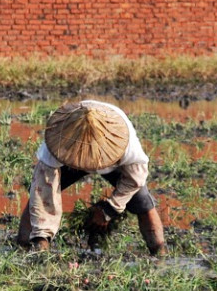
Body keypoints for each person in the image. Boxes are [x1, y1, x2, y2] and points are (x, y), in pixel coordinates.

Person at [16, 100, 166, 255]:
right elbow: (43, 194)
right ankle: (25, 248)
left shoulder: (126, 144)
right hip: (69, 160)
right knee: (37, 199)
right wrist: (41, 239)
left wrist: (109, 209)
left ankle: (159, 251)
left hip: (113, 162)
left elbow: (136, 179)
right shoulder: (57, 146)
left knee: (142, 202)